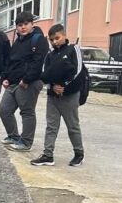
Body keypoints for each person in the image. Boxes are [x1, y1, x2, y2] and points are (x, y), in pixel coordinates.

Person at [31, 23, 85, 168]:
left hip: (70, 95)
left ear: (64, 35)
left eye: (57, 38)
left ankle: (79, 154)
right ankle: (48, 155)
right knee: (51, 126)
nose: (54, 42)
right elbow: (44, 73)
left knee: (72, 126)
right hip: (53, 96)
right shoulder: (50, 55)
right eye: (51, 40)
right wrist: (52, 87)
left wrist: (65, 86)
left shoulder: (74, 49)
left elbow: (78, 71)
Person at [0, 11, 49, 152]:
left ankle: (26, 142)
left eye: (26, 24)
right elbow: (11, 62)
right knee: (4, 109)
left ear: (32, 24)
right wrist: (5, 78)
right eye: (20, 25)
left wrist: (27, 79)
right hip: (13, 83)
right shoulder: (18, 41)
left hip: (28, 83)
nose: (23, 27)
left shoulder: (38, 40)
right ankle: (13, 136)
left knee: (26, 112)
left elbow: (38, 62)